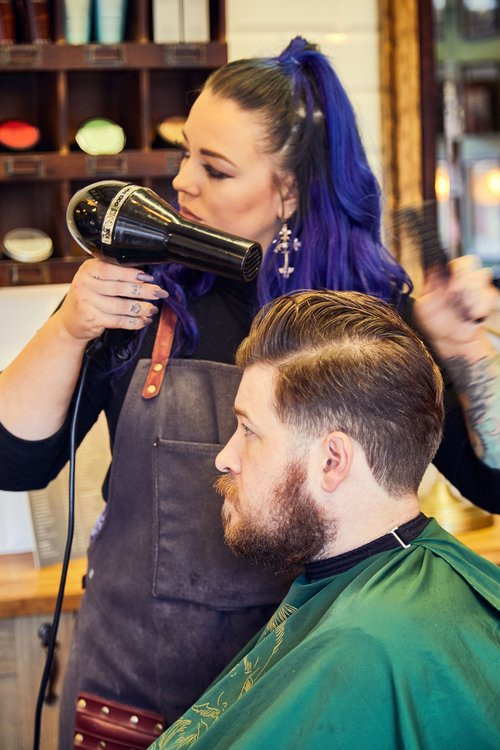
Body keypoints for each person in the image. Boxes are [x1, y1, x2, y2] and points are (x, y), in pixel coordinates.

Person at [0, 36, 498, 748]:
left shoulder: (371, 317)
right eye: (184, 154)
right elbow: (11, 462)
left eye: (216, 168)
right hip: (133, 705)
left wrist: (465, 350)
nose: (182, 183)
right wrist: (71, 327)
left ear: (289, 188)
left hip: (307, 705)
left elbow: (493, 481)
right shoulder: (138, 292)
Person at [151, 290, 500, 750]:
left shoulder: (366, 647)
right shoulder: (419, 587)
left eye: (249, 431)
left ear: (332, 461)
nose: (224, 458)